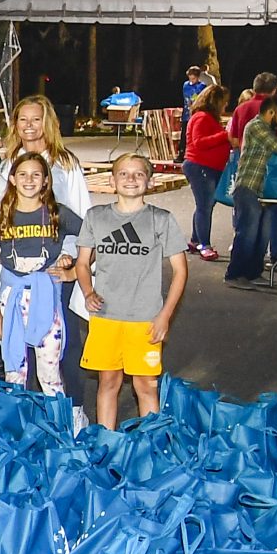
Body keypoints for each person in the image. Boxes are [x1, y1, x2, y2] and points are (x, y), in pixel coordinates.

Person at [78, 151, 189, 430]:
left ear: (149, 182)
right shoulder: (96, 216)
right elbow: (82, 263)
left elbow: (181, 271)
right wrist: (88, 291)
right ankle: (106, 440)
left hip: (145, 319)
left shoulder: (160, 219)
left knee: (146, 385)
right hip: (106, 317)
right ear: (112, 180)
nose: (131, 179)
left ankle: (149, 444)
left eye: (139, 174)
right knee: (108, 382)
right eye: (123, 173)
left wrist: (164, 316)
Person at [2, 95, 97, 405]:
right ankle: (28, 413)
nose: (30, 126)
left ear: (49, 123)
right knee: (21, 347)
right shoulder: (8, 162)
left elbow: (82, 216)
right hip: (17, 273)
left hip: (55, 269)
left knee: (61, 345)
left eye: (36, 119)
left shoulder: (64, 163)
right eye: (23, 120)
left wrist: (71, 259)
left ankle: (73, 411)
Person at [0, 152, 81, 401]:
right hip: (11, 299)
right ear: (12, 179)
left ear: (46, 180)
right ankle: (16, 428)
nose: (29, 180)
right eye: (23, 174)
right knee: (15, 370)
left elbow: (95, 238)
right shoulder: (0, 216)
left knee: (50, 370)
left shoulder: (59, 213)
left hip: (46, 297)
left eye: (36, 174)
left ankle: (59, 430)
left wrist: (75, 269)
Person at [223, 91, 277, 287]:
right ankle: (234, 274)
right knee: (248, 232)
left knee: (262, 232)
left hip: (263, 188)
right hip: (248, 185)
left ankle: (253, 273)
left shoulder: (268, 128)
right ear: (271, 111)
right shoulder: (256, 126)